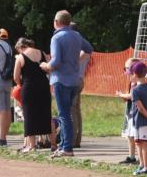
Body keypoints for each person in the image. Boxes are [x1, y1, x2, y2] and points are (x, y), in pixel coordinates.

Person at [39, 10, 93, 157]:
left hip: (61, 80)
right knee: (68, 114)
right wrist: (76, 59)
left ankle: (67, 148)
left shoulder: (57, 38)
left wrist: (45, 65)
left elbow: (55, 62)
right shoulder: (76, 35)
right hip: (75, 80)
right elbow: (89, 49)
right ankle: (64, 145)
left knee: (64, 115)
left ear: (56, 22)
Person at [14, 37, 54, 153]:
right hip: (43, 86)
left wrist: (20, 84)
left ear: (21, 47)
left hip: (29, 87)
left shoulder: (21, 57)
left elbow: (16, 77)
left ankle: (32, 146)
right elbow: (48, 68)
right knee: (47, 116)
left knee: (29, 116)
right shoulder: (41, 53)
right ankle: (53, 144)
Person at [128, 61, 147, 175]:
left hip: (142, 121)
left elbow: (140, 108)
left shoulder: (135, 90)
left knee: (144, 144)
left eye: (130, 74)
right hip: (141, 121)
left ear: (135, 75)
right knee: (139, 143)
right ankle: (141, 165)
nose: (130, 77)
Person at [115, 56, 142, 165]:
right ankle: (131, 156)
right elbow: (130, 96)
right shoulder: (132, 82)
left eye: (127, 68)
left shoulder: (138, 82)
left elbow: (132, 95)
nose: (126, 71)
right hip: (130, 112)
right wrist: (123, 96)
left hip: (136, 113)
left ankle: (141, 159)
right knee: (130, 136)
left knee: (136, 137)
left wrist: (122, 94)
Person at [70, 22, 89, 148]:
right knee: (76, 110)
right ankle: (77, 140)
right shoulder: (82, 43)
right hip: (79, 78)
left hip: (73, 79)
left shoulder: (78, 44)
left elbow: (79, 58)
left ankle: (72, 140)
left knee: (72, 110)